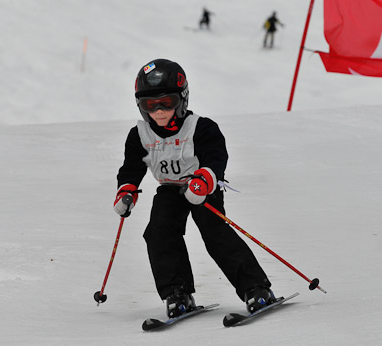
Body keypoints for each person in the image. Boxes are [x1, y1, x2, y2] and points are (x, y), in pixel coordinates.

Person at [114, 59, 274, 318]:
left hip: (202, 188)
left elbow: (216, 158)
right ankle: (177, 293)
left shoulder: (201, 127)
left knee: (215, 233)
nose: (159, 112)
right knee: (158, 233)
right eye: (149, 105)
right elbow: (131, 167)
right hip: (169, 190)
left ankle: (255, 288)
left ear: (182, 99)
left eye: (166, 102)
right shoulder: (140, 135)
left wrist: (204, 180)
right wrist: (126, 190)